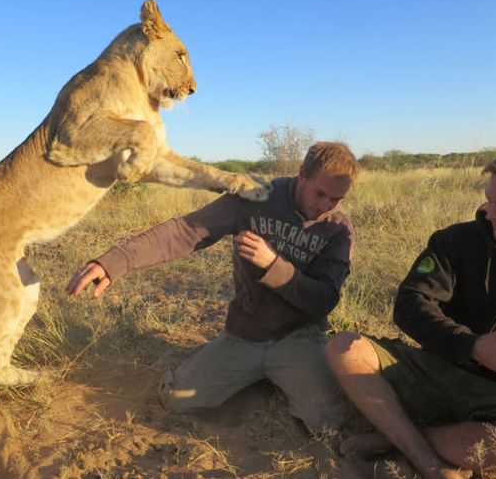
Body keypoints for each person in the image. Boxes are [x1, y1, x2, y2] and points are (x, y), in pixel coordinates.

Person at [326, 142, 496, 478]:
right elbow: (409, 304)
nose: (490, 212)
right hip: (429, 367)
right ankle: (427, 460)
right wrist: (471, 345)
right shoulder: (455, 241)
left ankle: (394, 439)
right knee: (344, 346)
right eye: (488, 199)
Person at [67, 142, 358, 432]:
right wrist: (115, 262)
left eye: (336, 199)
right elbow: (186, 231)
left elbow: (324, 300)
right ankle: (260, 373)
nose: (324, 206)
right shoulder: (255, 195)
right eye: (319, 193)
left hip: (299, 337)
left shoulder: (337, 229)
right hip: (247, 333)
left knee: (328, 420)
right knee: (176, 399)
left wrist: (273, 265)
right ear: (302, 174)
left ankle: (282, 373)